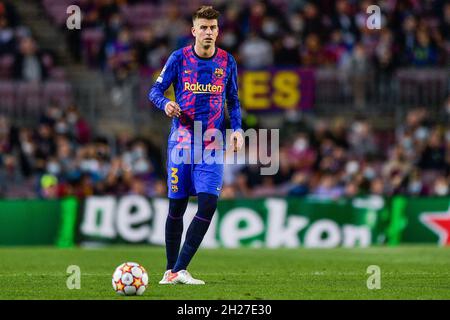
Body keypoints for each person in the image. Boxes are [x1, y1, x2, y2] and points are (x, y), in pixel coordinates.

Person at [148, 6, 243, 285]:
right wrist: (165, 103)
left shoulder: (227, 61)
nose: (209, 32)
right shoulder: (179, 58)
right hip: (182, 141)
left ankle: (180, 269)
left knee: (208, 204)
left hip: (212, 142)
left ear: (218, 31)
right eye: (203, 27)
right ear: (194, 31)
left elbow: (233, 101)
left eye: (213, 27)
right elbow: (154, 90)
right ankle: (170, 269)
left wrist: (237, 130)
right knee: (176, 208)